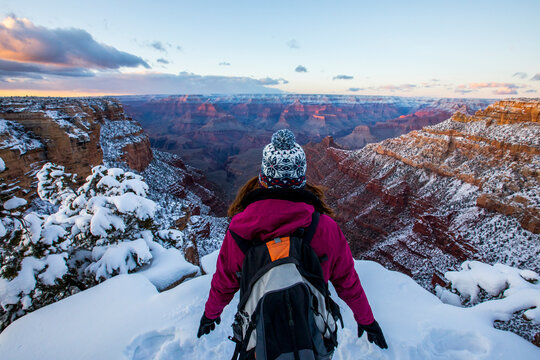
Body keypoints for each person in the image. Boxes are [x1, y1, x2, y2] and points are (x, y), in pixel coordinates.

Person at [197, 129, 388, 356]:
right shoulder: (325, 228)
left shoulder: (240, 228)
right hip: (313, 336)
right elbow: (347, 282)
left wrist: (211, 314)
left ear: (264, 177)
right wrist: (366, 320)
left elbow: (224, 282)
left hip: (260, 341)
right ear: (301, 178)